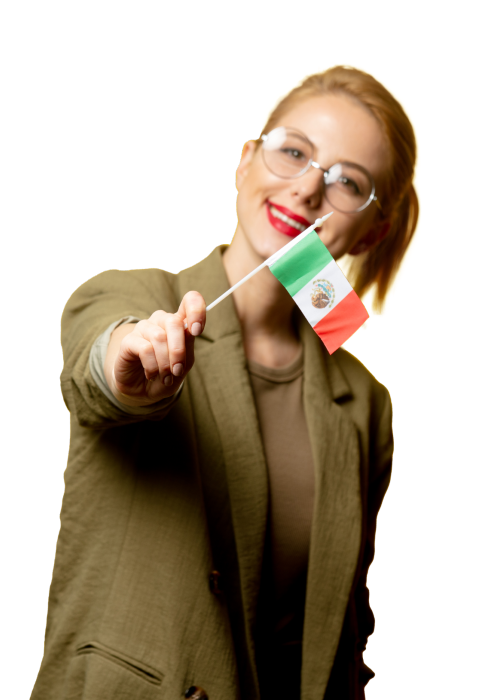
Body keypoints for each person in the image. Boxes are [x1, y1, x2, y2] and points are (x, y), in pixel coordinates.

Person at [32, 63, 421, 700]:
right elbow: (99, 373)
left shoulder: (365, 405)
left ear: (373, 228)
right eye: (293, 152)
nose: (307, 190)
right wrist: (134, 367)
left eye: (347, 181)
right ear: (246, 161)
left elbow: (340, 621)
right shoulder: (130, 295)